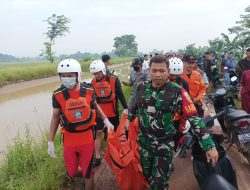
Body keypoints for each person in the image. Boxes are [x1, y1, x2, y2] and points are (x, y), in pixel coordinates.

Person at [125, 56, 218, 190]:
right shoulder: (142, 87)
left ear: (168, 71)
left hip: (164, 145)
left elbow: (194, 118)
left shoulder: (177, 91)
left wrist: (209, 146)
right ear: (149, 71)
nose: (158, 74)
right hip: (144, 144)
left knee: (158, 183)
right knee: (147, 176)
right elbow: (135, 106)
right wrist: (129, 118)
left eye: (162, 71)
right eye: (154, 70)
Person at [47, 59, 114, 190]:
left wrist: (106, 120)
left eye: (70, 75)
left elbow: (96, 106)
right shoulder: (57, 94)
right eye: (63, 76)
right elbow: (55, 117)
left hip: (87, 139)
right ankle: (87, 172)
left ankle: (88, 176)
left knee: (88, 174)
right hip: (69, 141)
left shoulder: (88, 90)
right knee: (72, 172)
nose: (67, 79)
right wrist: (50, 141)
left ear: (78, 75)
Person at [89, 60, 128, 167]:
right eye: (94, 74)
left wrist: (126, 108)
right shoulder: (92, 82)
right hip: (99, 114)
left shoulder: (113, 79)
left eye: (98, 73)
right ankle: (97, 157)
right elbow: (91, 100)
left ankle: (115, 154)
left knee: (113, 134)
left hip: (112, 112)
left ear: (103, 70)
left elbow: (120, 94)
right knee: (98, 133)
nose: (96, 75)